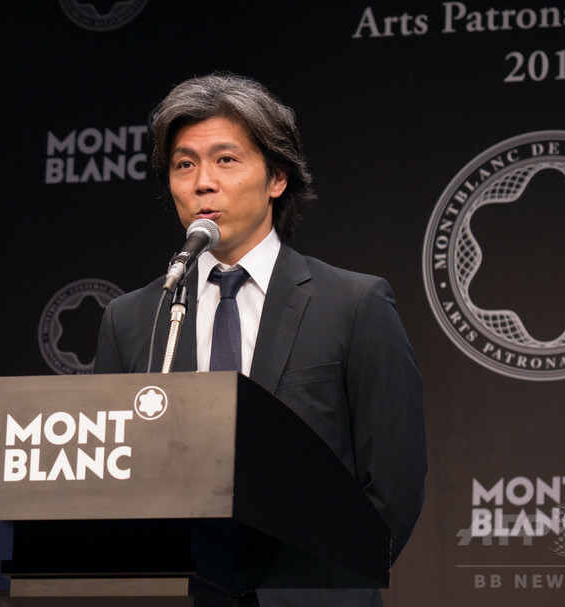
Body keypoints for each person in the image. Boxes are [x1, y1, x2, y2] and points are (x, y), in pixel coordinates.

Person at [94, 73, 426, 607]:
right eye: (184, 164)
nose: (203, 183)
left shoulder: (354, 304)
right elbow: (107, 483)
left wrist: (323, 586)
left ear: (276, 177)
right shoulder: (132, 319)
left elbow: (394, 485)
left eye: (226, 160)